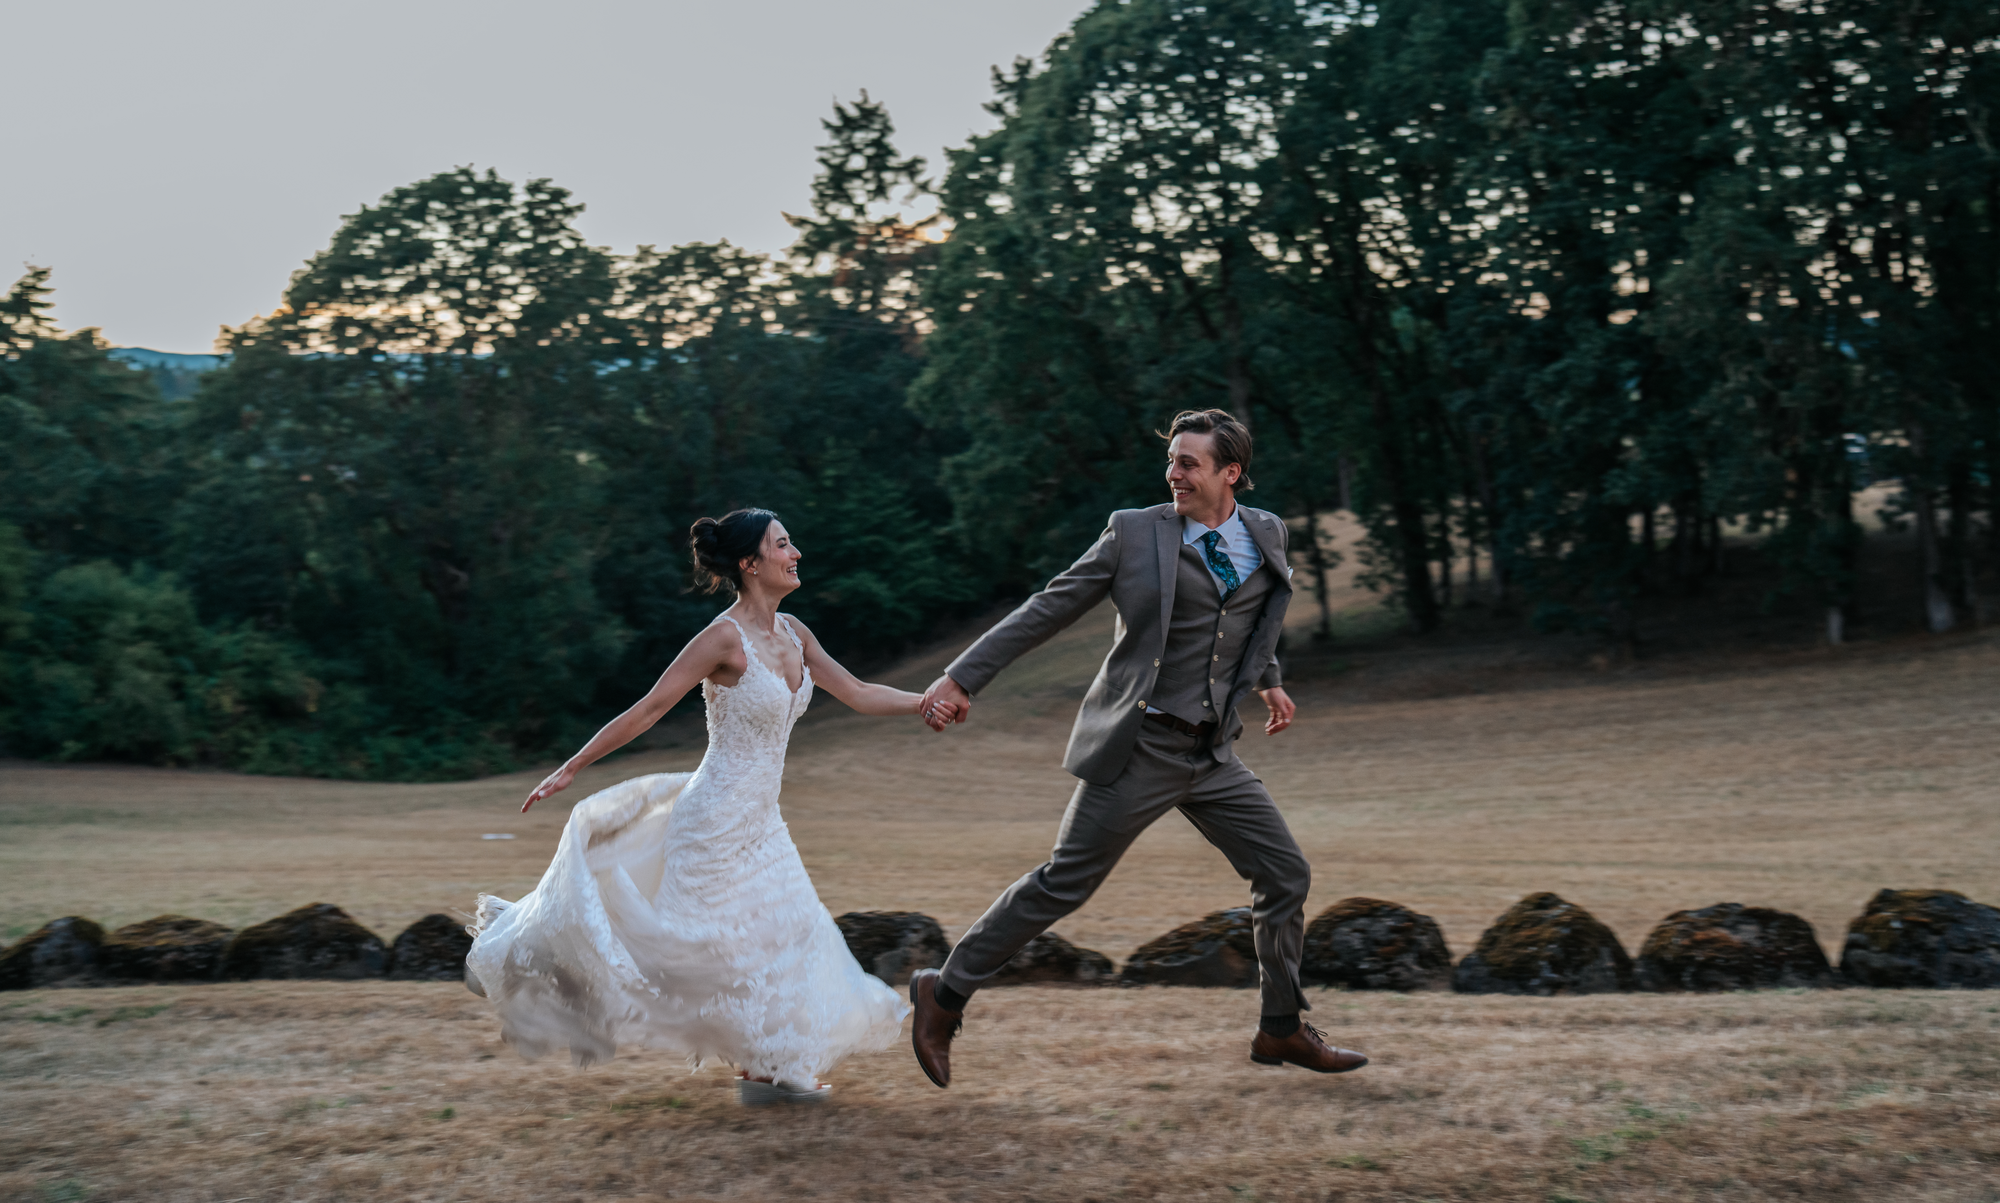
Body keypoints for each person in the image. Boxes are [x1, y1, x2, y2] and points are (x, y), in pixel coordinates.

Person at [910, 409, 1368, 1086]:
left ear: (1230, 472)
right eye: (1172, 461)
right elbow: (1048, 606)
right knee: (1064, 882)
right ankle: (943, 992)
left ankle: (1281, 1027)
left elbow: (1255, 614)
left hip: (1212, 753)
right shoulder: (1134, 532)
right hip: (1140, 745)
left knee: (1285, 874)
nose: (1174, 473)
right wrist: (961, 674)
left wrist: (1269, 682)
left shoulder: (1265, 531)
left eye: (1190, 462)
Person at [466, 508, 959, 1098]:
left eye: (791, 543)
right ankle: (530, 959)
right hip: (711, 825)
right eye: (783, 545)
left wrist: (924, 703)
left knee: (793, 938)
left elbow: (855, 692)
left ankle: (769, 1070)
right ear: (751, 564)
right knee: (698, 953)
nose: (795, 552)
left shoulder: (797, 633)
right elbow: (648, 710)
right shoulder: (722, 639)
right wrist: (572, 765)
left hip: (763, 825)